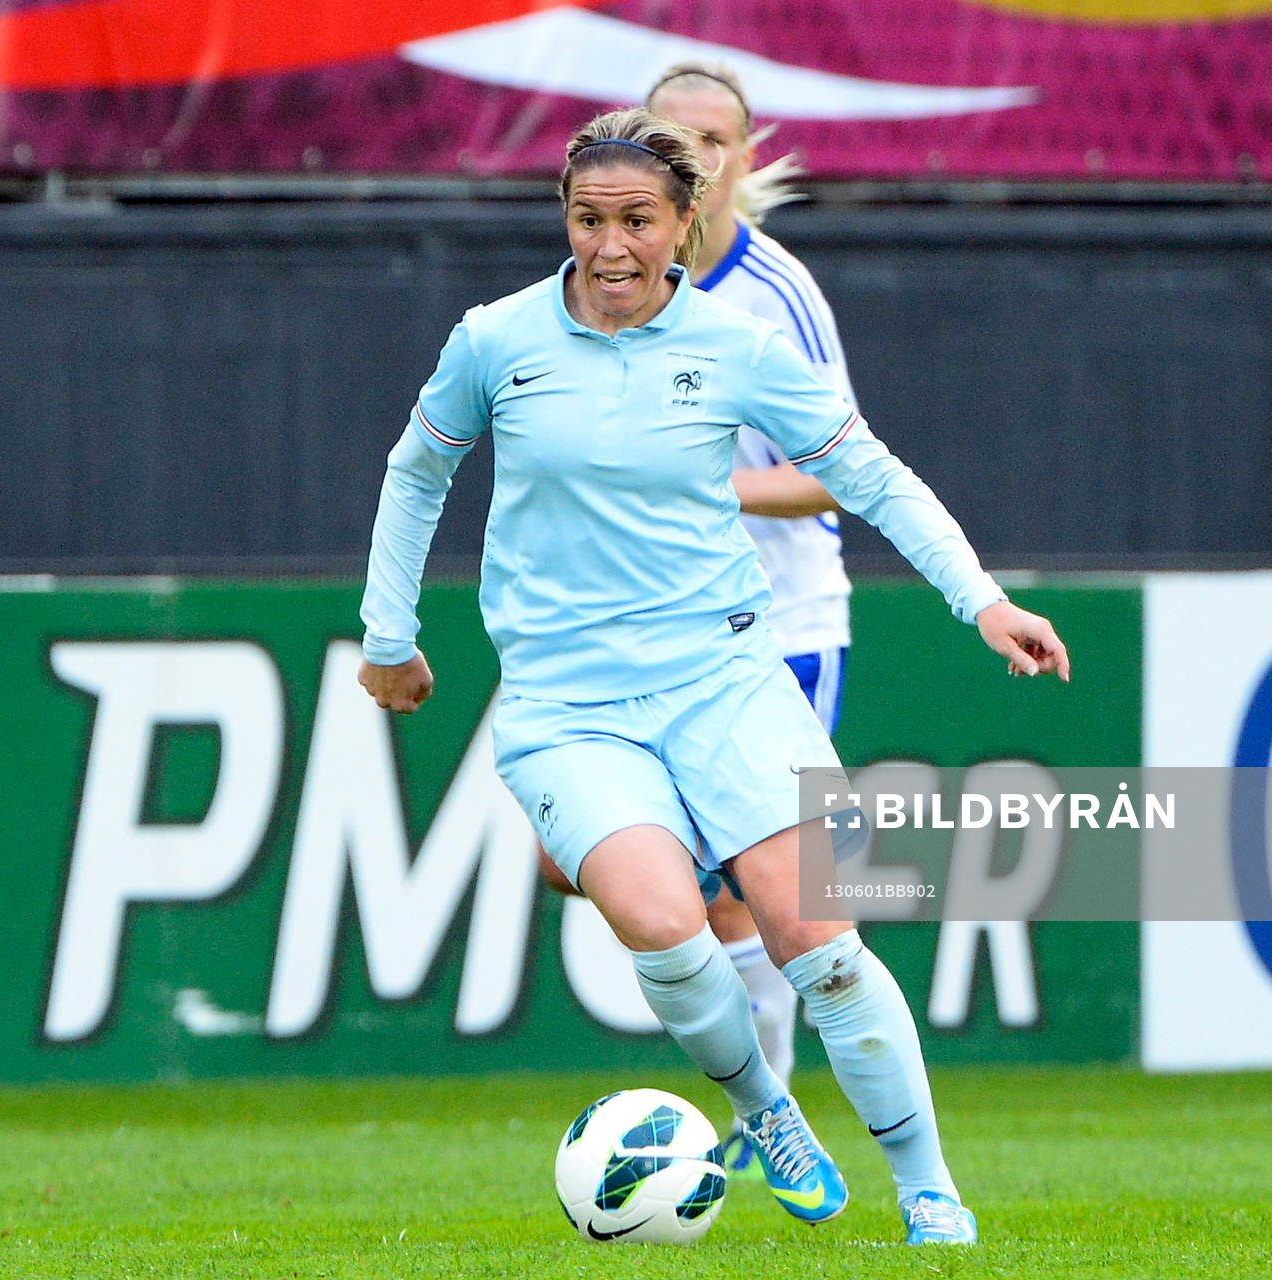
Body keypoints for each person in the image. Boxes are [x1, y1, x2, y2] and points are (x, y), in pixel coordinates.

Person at [359, 107, 1069, 1246]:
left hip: (725, 676)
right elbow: (414, 474)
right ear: (566, 221)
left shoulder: (736, 345)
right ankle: (762, 1105)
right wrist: (387, 636)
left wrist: (981, 599)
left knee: (821, 940)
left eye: (638, 220)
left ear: (686, 223)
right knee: (666, 919)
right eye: (590, 219)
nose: (611, 246)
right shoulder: (496, 339)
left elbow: (871, 476)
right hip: (567, 704)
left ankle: (930, 1189)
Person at [538, 59, 859, 1186]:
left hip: (781, 622)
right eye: (676, 137)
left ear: (741, 155)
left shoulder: (775, 291)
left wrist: (706, 488)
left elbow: (838, 473)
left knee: (758, 891)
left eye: (717, 139)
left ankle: (768, 1124)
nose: (698, 157)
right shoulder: (600, 284)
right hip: (646, 630)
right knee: (567, 857)